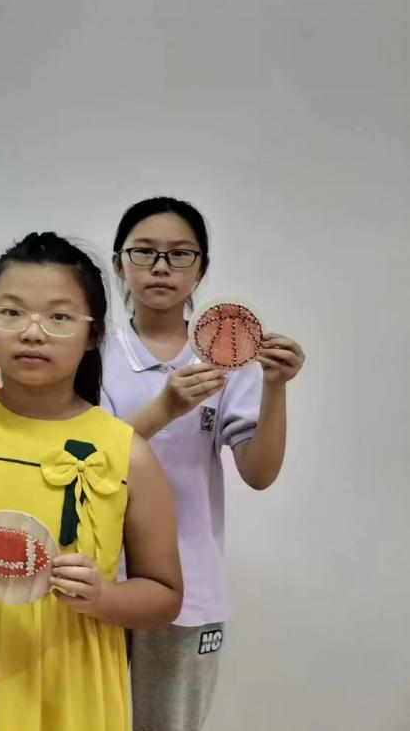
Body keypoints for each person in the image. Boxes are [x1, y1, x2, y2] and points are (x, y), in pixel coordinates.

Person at [0, 232, 183, 731]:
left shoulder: (127, 452)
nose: (32, 333)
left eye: (59, 317)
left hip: (68, 676)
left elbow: (165, 595)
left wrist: (102, 597)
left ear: (93, 334)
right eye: (10, 312)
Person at [103, 197, 306, 730]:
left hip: (190, 587)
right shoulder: (93, 353)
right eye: (144, 252)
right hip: (99, 576)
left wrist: (275, 387)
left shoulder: (229, 359)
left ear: (202, 269)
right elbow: (86, 462)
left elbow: (259, 474)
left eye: (180, 254)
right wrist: (166, 407)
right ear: (119, 261)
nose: (161, 267)